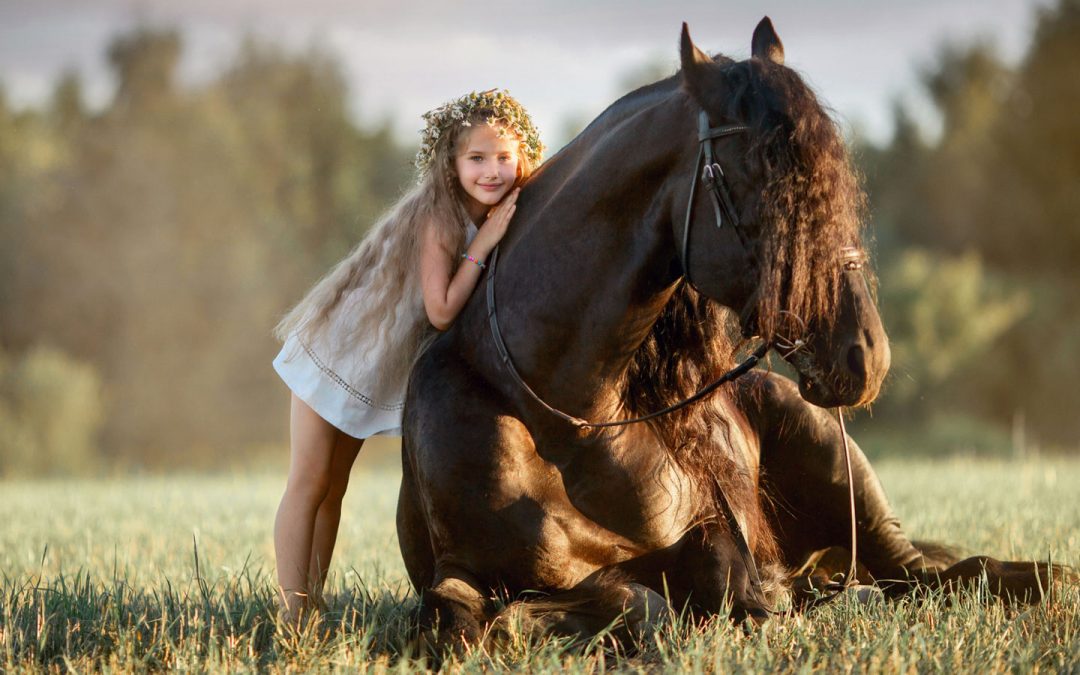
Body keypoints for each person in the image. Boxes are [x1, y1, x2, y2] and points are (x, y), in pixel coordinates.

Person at [270, 89, 544, 623]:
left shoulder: (501, 210)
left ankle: (312, 607)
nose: (492, 171)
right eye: (477, 159)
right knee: (309, 481)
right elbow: (441, 311)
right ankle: (290, 615)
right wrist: (483, 245)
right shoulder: (442, 218)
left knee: (335, 488)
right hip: (340, 348)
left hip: (375, 361)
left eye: (504, 157)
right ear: (452, 162)